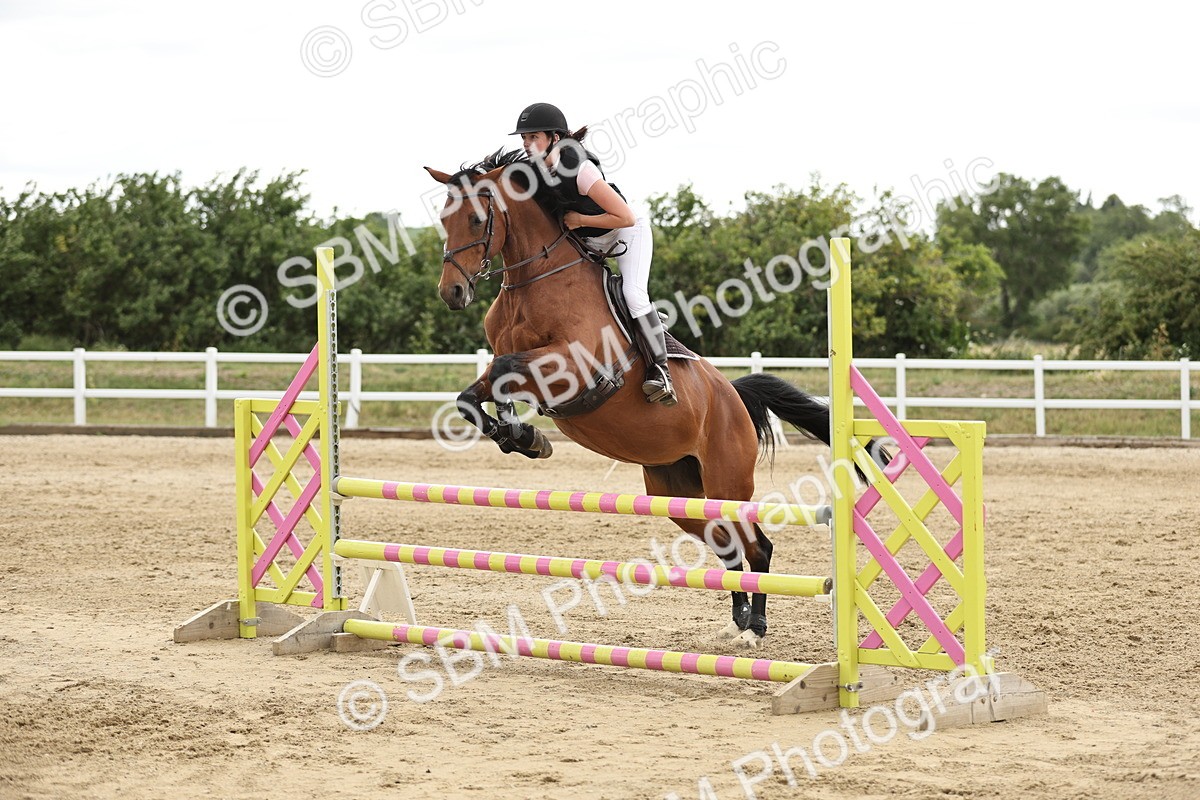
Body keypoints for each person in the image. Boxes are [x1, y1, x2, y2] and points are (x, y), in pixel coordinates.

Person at [510, 102, 677, 406]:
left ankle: (660, 371)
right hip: (588, 242)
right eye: (524, 138)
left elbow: (624, 217)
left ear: (555, 138)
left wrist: (580, 220)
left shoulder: (580, 169)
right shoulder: (534, 170)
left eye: (534, 137)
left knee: (634, 293)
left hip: (625, 232)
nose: (527, 144)